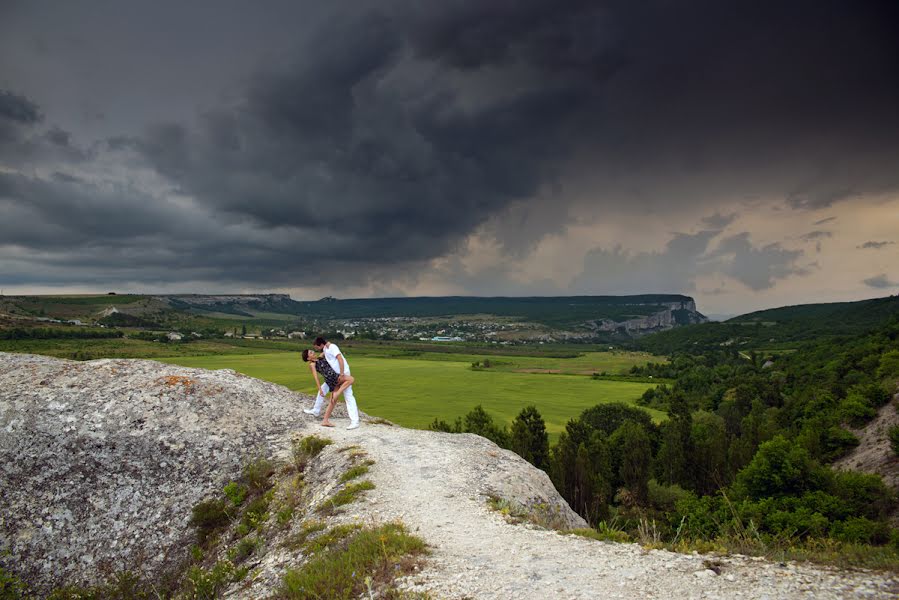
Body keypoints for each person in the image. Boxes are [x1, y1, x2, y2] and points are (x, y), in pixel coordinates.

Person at [303, 336, 360, 429]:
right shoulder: (312, 364)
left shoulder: (322, 355)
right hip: (333, 377)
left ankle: (325, 420)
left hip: (334, 376)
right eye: (311, 352)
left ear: (321, 345)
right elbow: (316, 377)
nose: (314, 350)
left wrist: (328, 344)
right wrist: (320, 389)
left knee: (333, 400)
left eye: (315, 348)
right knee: (351, 380)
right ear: (308, 358)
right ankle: (336, 395)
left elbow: (326, 349)